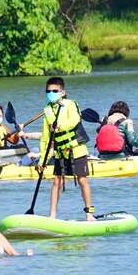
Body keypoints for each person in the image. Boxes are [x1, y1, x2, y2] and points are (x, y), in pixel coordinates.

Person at [38, 77, 95, 221]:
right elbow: (46, 138)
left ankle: (89, 213)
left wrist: (59, 126)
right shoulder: (47, 110)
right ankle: (52, 215)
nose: (51, 93)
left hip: (76, 149)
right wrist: (42, 160)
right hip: (60, 152)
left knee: (82, 180)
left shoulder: (71, 104)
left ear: (62, 92)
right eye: (48, 91)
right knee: (57, 181)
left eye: (54, 91)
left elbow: (75, 120)